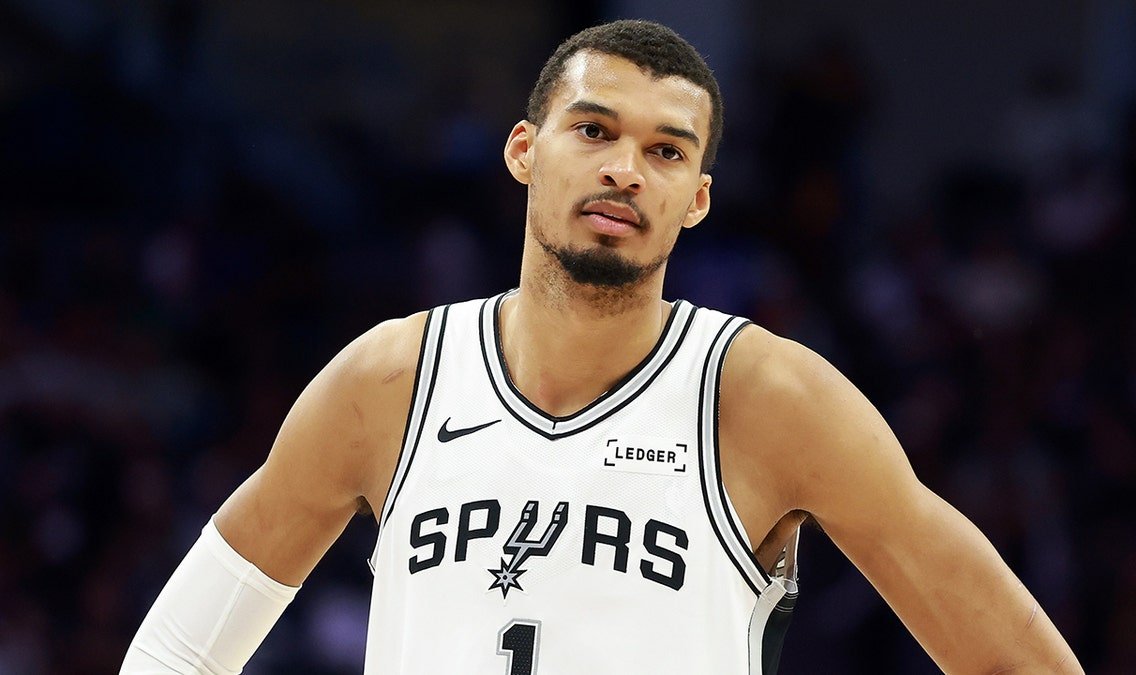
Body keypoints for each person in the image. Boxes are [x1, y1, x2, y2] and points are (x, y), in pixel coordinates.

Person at [121, 19, 1083, 675]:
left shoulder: (769, 398)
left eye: (667, 151)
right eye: (594, 130)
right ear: (524, 150)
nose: (626, 169)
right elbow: (177, 651)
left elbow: (1016, 659)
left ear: (696, 199)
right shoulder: (389, 381)